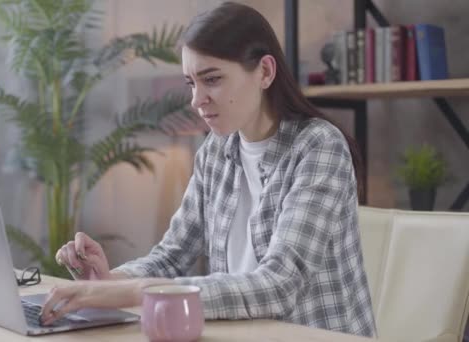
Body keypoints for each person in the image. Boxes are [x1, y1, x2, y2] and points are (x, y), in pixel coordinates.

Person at [40, 1, 376, 337]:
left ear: (265, 72)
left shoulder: (318, 146)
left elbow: (280, 285)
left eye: (212, 79)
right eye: (191, 83)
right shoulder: (216, 152)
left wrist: (131, 293)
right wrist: (109, 281)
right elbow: (171, 257)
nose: (196, 99)